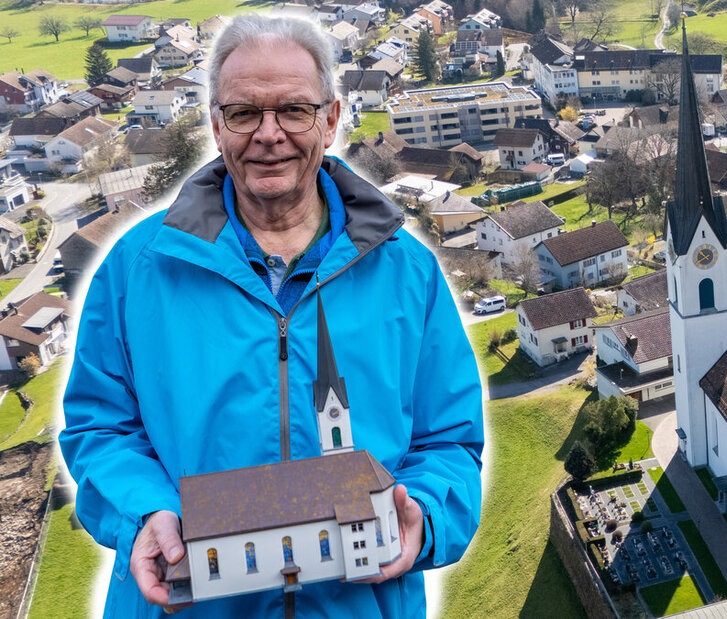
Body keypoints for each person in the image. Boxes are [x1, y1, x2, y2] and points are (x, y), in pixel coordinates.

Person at [59, 14, 483, 618]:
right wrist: (145, 511)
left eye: (293, 111)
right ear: (216, 126)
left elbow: (450, 441)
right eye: (243, 113)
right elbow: (100, 429)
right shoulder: (138, 269)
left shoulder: (407, 274)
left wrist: (426, 514)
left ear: (330, 120)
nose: (268, 134)